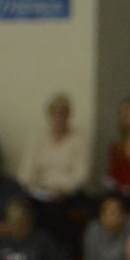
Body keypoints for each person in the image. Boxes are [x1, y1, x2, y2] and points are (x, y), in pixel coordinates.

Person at [16, 93, 90, 238]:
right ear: (48, 115)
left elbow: (82, 174)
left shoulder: (78, 140)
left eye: (62, 113)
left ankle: (53, 252)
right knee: (22, 206)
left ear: (69, 115)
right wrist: (29, 185)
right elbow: (26, 169)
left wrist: (63, 189)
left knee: (54, 213)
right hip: (39, 191)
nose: (58, 117)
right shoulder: (38, 138)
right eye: (54, 113)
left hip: (65, 193)